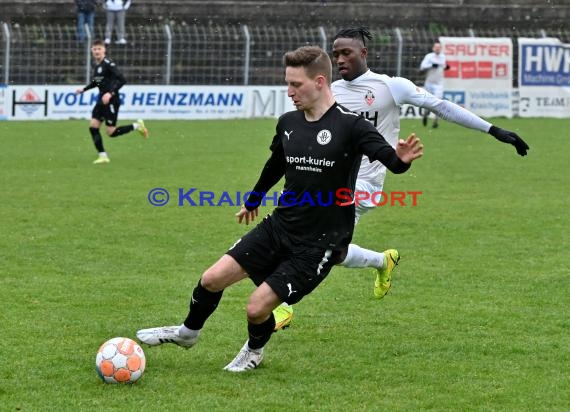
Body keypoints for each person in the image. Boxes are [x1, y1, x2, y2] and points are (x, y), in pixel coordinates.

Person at [136, 45, 423, 372]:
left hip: (319, 242)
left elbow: (391, 161)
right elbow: (276, 164)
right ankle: (187, 333)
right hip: (280, 226)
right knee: (212, 278)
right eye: (287, 84)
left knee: (256, 308)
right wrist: (253, 200)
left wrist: (400, 161)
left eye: (295, 85)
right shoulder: (288, 122)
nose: (289, 92)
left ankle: (254, 352)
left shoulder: (352, 126)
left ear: (319, 82)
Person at [271, 27, 530, 330]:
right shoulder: (330, 92)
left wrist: (493, 130)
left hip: (365, 186)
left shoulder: (391, 87)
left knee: (310, 240)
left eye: (347, 53)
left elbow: (441, 107)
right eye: (336, 53)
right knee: (333, 251)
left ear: (363, 53)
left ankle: (282, 305)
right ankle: (382, 261)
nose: (340, 59)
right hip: (329, 184)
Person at [75, 39, 148, 164]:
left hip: (112, 101)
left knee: (111, 132)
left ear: (104, 50)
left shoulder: (109, 63)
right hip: (101, 100)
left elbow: (122, 79)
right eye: (94, 49)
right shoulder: (97, 66)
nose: (97, 51)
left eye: (99, 48)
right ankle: (103, 156)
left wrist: (110, 93)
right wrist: (84, 89)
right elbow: (97, 82)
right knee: (93, 127)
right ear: (92, 51)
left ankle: (137, 126)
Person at [419, 41, 450, 128]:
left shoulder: (443, 57)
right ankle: (425, 114)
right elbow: (422, 66)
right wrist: (431, 65)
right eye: (436, 47)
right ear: (433, 48)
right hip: (429, 83)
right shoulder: (429, 56)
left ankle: (435, 121)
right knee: (427, 101)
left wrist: (447, 67)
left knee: (438, 102)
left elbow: (444, 66)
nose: (437, 49)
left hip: (439, 84)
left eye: (439, 47)